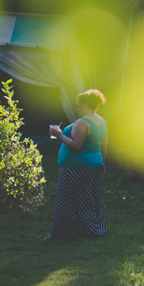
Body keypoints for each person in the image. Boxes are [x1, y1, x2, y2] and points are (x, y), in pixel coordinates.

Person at [47, 89, 108, 238]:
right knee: (88, 199)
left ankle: (63, 233)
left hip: (75, 168)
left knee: (66, 200)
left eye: (78, 105)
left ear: (85, 105)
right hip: (93, 165)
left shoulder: (82, 122)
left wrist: (59, 135)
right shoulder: (101, 121)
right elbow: (104, 144)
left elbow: (76, 145)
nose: (77, 108)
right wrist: (101, 162)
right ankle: (94, 229)